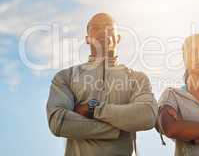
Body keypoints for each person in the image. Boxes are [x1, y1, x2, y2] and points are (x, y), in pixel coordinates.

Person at [46, 13, 158, 156]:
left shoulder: (137, 78)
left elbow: (147, 116)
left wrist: (93, 109)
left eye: (109, 28)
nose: (103, 32)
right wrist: (118, 128)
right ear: (87, 39)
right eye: (96, 28)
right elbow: (58, 122)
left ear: (118, 38)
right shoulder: (65, 77)